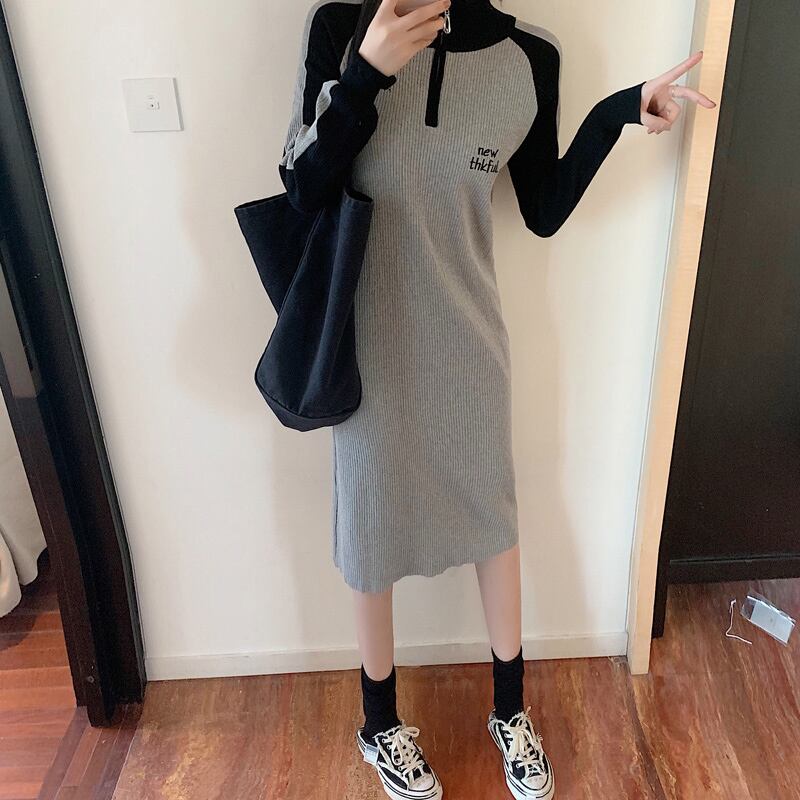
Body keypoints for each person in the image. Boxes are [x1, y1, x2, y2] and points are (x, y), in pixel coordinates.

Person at [278, 1, 715, 798]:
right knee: (371, 524)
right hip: (365, 343)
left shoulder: (528, 58)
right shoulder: (342, 25)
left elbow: (541, 211)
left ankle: (510, 710)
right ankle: (378, 723)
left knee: (493, 519)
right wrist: (365, 75)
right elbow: (302, 187)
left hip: (470, 338)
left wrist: (617, 112)